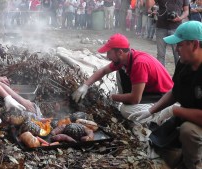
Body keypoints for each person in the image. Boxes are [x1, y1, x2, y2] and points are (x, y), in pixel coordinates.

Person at [129, 21, 202, 169]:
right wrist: (152, 110)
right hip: (189, 114)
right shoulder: (184, 63)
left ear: (194, 44)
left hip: (195, 121)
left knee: (188, 131)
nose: (176, 50)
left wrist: (174, 110)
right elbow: (175, 92)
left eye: (180, 45)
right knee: (159, 137)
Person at [72, 33, 173, 119]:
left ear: (120, 52)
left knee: (126, 110)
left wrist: (111, 97)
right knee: (119, 72)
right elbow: (103, 70)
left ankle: (159, 118)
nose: (107, 56)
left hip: (163, 96)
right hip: (149, 91)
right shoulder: (125, 59)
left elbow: (135, 99)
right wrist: (85, 85)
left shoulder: (139, 63)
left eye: (109, 52)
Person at [146, 0, 189, 66]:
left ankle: (179, 75)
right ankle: (161, 75)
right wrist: (151, 10)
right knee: (161, 54)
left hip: (176, 28)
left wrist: (180, 18)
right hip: (161, 27)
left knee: (178, 54)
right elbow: (150, 6)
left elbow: (186, 11)